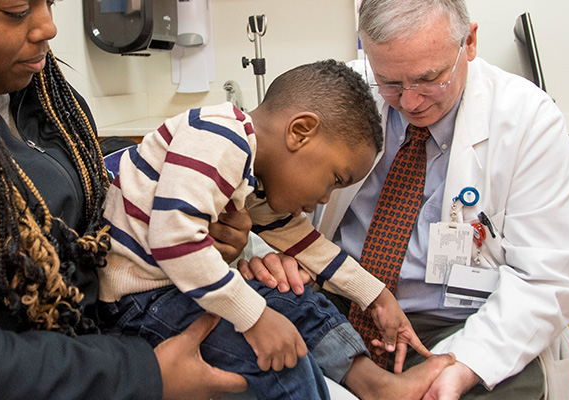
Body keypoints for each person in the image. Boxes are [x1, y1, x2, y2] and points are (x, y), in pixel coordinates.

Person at [0, 0, 253, 398]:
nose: (48, 27)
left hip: (111, 346)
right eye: (15, 9)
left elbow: (93, 249)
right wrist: (142, 377)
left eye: (50, 2)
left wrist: (189, 244)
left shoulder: (44, 96)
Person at [239, 0, 569, 399]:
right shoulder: (339, 95)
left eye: (430, 78)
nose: (410, 102)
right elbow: (263, 200)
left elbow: (550, 274)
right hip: (337, 302)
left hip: (460, 322)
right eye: (391, 82)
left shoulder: (528, 119)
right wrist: (273, 258)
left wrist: (464, 364)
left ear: (470, 43)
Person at [99, 59, 455, 400]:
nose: (323, 198)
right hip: (143, 301)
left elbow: (306, 244)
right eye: (333, 180)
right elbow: (174, 239)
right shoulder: (219, 136)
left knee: (300, 304)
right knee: (281, 358)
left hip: (176, 290)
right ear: (300, 132)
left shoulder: (249, 174)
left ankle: (379, 388)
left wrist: (376, 297)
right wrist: (256, 319)